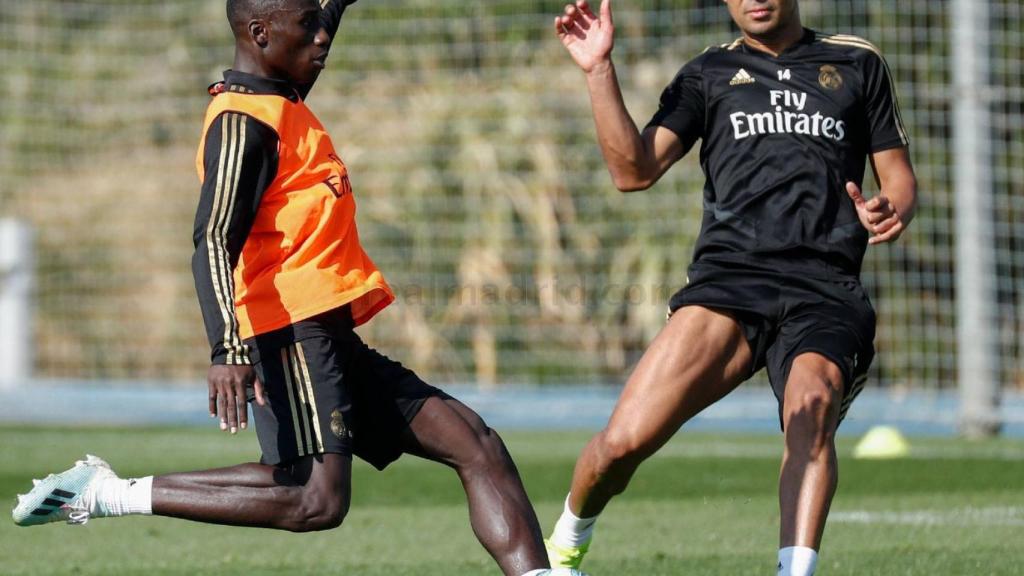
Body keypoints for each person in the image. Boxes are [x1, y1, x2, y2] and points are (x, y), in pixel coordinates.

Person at [12, 2, 583, 575]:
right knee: (316, 499)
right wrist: (227, 350)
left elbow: (321, 15)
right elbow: (211, 241)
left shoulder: (280, 97)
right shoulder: (242, 123)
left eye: (322, 20)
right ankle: (104, 494)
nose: (323, 36)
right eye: (308, 25)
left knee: (475, 445)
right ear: (260, 34)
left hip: (324, 327)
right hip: (287, 328)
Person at [545, 0, 917, 574]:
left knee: (812, 407)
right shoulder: (707, 73)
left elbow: (898, 180)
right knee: (620, 446)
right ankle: (566, 542)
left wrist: (891, 208)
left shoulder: (856, 62)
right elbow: (633, 171)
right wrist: (598, 70)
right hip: (728, 284)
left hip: (825, 288)